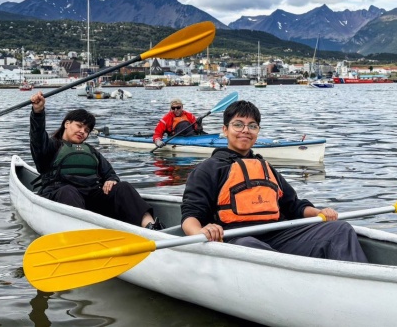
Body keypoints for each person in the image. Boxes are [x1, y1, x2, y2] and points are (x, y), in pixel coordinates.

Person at [181, 100, 368, 262]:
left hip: (278, 236)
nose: (245, 131)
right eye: (238, 124)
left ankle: (361, 286)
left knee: (339, 229)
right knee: (249, 245)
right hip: (236, 240)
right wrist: (201, 233)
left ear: (258, 131)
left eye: (252, 126)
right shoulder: (208, 169)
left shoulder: (266, 167)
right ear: (225, 129)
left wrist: (320, 212)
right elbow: (190, 216)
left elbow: (294, 206)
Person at [29, 91, 164, 230]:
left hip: (91, 198)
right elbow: (37, 136)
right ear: (67, 124)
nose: (83, 131)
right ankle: (81, 234)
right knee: (68, 191)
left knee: (123, 187)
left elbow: (109, 173)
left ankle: (151, 226)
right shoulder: (50, 146)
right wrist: (38, 112)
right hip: (61, 196)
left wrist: (111, 179)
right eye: (79, 126)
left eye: (87, 130)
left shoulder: (91, 151)